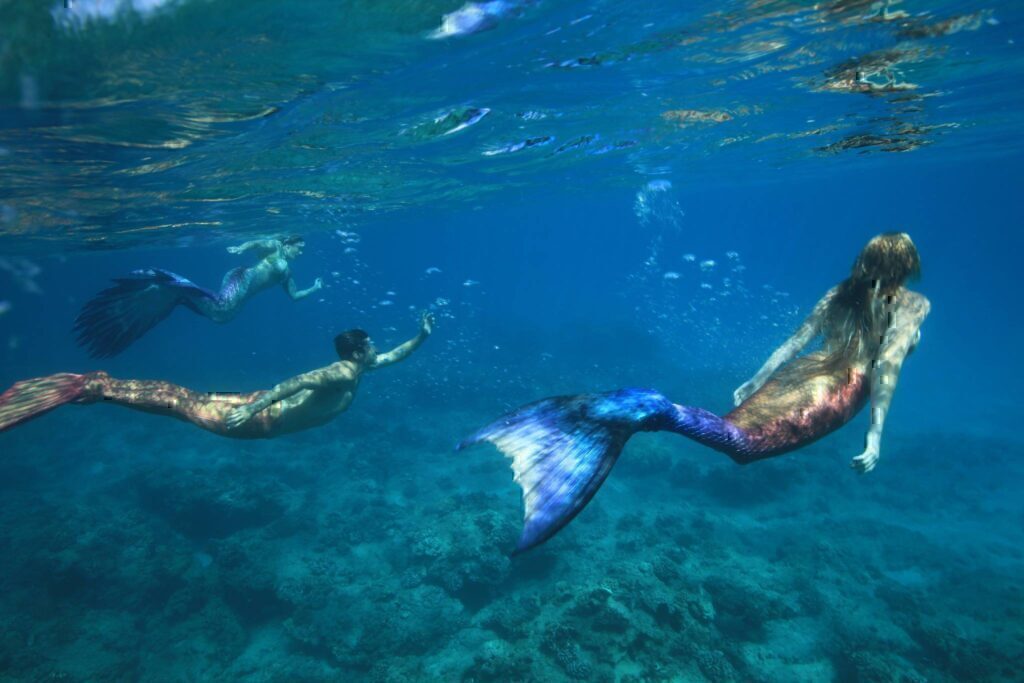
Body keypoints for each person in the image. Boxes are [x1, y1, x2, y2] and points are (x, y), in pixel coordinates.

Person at [460, 233, 929, 553]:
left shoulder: (841, 291)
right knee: (743, 447)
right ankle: (652, 409)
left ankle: (630, 411)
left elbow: (795, 341)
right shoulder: (912, 304)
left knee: (734, 432)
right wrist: (875, 436)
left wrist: (757, 378)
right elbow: (885, 368)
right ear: (906, 267)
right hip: (842, 387)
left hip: (803, 374)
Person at [1, 313, 433, 438]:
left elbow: (395, 355)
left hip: (261, 407)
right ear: (357, 350)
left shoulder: (362, 366)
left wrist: (421, 335)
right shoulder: (341, 371)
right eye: (371, 343)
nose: (377, 347)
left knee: (179, 402)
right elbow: (295, 383)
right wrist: (252, 411)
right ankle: (92, 387)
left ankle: (97, 389)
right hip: (261, 416)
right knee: (176, 402)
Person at [74, 235, 323, 358]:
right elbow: (259, 242)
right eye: (299, 248)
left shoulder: (287, 272)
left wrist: (314, 287)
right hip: (240, 278)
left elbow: (294, 296)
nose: (300, 252)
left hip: (243, 294)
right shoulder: (276, 248)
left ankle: (177, 296)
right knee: (223, 307)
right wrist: (241, 248)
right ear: (289, 243)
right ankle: (174, 283)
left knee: (223, 317)